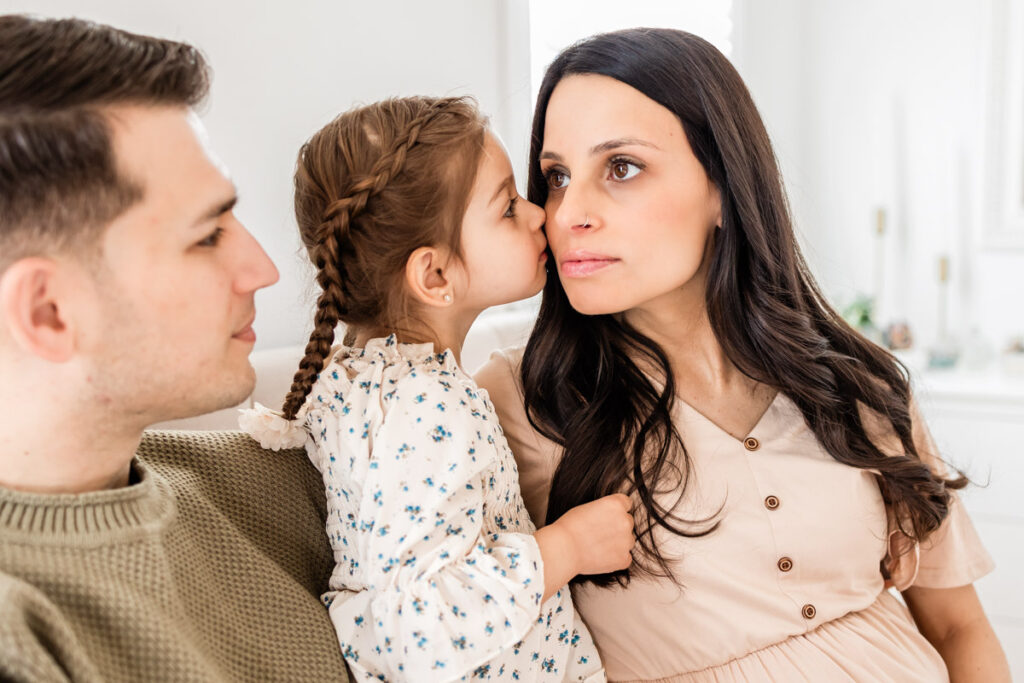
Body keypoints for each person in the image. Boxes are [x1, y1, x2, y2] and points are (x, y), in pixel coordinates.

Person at [475, 27, 1011, 682]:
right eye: (557, 176)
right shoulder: (516, 403)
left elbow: (959, 626)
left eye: (621, 167)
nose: (567, 213)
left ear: (723, 188)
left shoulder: (853, 386)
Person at [0, 15, 351, 681]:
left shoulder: (269, 477)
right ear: (49, 312)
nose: (264, 269)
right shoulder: (19, 634)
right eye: (206, 235)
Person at [239, 96, 634, 682]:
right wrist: (567, 548)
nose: (538, 216)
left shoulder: (364, 383)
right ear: (435, 275)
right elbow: (411, 627)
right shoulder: (423, 405)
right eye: (507, 208)